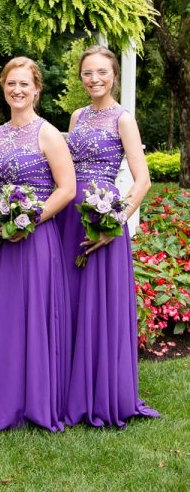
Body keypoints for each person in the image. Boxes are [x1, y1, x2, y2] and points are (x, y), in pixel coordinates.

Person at [59, 44, 159, 427]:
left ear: (114, 75)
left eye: (102, 72)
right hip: (71, 217)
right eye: (88, 72)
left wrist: (115, 221)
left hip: (103, 218)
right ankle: (71, 388)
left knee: (99, 305)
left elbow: (143, 179)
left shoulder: (123, 119)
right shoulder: (77, 116)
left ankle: (102, 391)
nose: (94, 79)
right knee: (72, 300)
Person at [0, 57, 75, 433]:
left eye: (24, 84)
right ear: (3, 87)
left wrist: (30, 219)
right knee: (0, 315)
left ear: (36, 89)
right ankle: (1, 396)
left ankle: (34, 399)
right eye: (11, 83)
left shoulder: (47, 133)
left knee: (30, 315)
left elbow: (66, 189)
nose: (17, 90)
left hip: (35, 237)